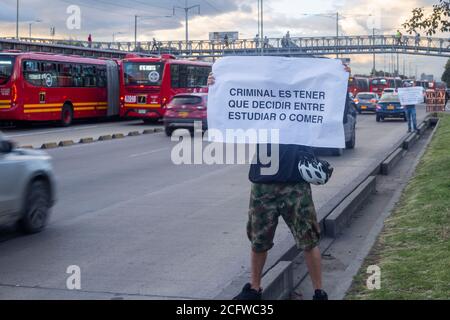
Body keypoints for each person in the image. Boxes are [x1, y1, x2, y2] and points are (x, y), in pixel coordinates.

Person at [207, 62, 350, 301]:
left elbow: (334, 115)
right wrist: (217, 86)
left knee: (308, 240)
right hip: (264, 182)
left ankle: (319, 292)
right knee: (259, 240)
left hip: (295, 183)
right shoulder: (262, 102)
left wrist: (340, 84)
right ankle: (254, 288)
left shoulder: (305, 103)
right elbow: (229, 112)